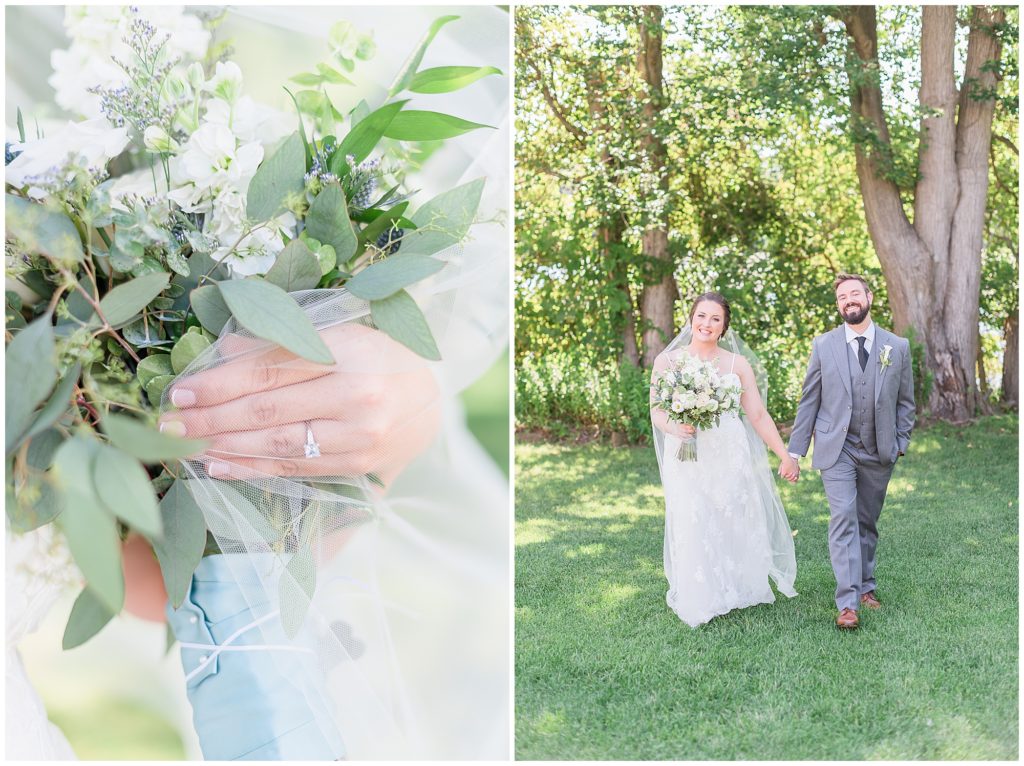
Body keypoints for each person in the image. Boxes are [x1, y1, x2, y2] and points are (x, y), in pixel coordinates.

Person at [650, 292, 798, 628]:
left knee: (731, 515)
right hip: (686, 451)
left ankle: (736, 587)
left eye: (715, 319)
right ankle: (700, 595)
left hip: (728, 452)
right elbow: (657, 410)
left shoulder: (736, 364)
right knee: (692, 515)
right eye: (701, 316)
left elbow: (758, 414)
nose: (707, 324)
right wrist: (676, 426)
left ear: (724, 327)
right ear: (691, 319)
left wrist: (784, 455)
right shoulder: (668, 362)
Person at [788, 273, 914, 630]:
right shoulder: (823, 345)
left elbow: (906, 403)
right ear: (839, 305)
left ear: (869, 297)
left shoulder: (897, 347)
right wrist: (795, 452)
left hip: (879, 449)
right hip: (837, 448)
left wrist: (900, 443)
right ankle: (848, 602)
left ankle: (866, 588)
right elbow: (809, 401)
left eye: (854, 293)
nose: (849, 300)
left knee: (866, 521)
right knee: (843, 516)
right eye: (842, 297)